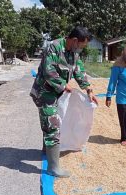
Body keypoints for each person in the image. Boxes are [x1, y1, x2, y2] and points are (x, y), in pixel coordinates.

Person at [30, 26, 98, 177]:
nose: (81, 49)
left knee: (51, 123)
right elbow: (49, 72)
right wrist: (63, 84)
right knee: (52, 125)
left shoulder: (73, 53)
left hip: (57, 93)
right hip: (45, 93)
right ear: (74, 41)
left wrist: (88, 90)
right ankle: (53, 168)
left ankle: (47, 151)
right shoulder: (54, 47)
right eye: (81, 45)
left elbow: (78, 71)